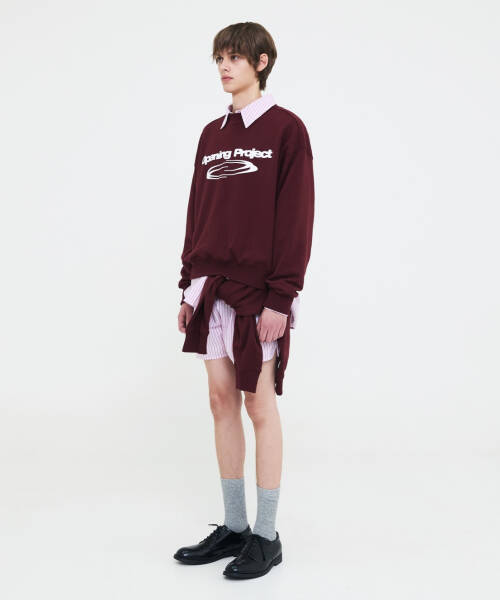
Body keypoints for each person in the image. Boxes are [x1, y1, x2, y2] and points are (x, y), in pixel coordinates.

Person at [173, 21, 314, 580]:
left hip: (260, 293)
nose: (224, 67)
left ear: (261, 62)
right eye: (219, 59)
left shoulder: (286, 129)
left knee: (259, 405)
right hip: (210, 286)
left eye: (234, 57)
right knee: (219, 401)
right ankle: (234, 527)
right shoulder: (211, 134)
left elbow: (297, 217)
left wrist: (282, 295)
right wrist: (187, 284)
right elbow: (197, 210)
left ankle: (267, 536)